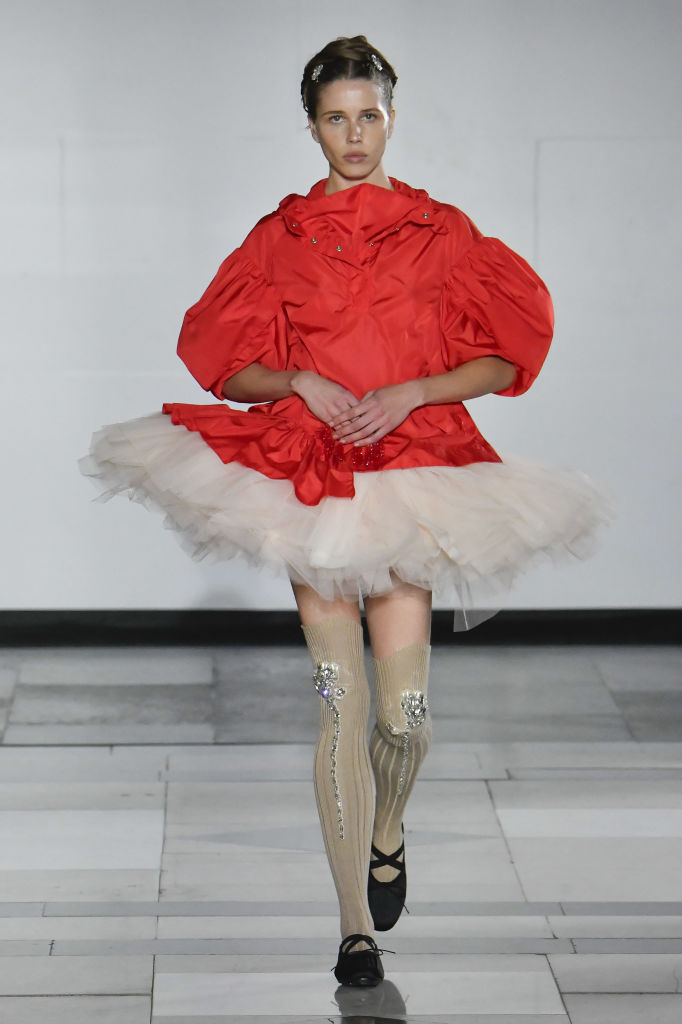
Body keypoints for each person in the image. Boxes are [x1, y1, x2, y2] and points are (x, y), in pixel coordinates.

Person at [82, 35, 610, 987]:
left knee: (404, 716)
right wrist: (296, 379)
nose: (354, 133)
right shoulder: (278, 239)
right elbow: (221, 360)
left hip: (411, 473)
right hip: (313, 484)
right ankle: (353, 926)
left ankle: (390, 827)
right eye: (336, 117)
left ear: (392, 118)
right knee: (341, 706)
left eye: (369, 114)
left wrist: (416, 390)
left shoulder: (442, 232)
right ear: (313, 126)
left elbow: (506, 357)